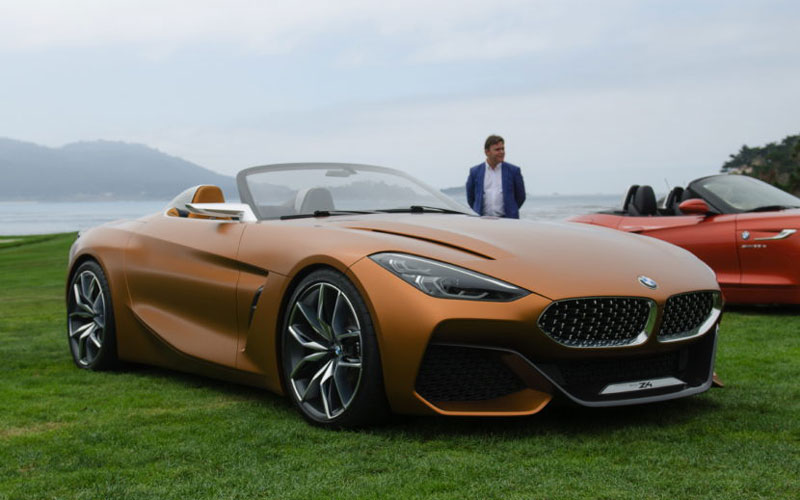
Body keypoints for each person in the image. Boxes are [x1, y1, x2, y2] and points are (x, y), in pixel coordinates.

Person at [466, 135, 526, 218]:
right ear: (487, 152)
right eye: (497, 149)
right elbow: (470, 198)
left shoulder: (514, 171)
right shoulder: (475, 172)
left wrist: (512, 210)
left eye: (503, 149)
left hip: (508, 221)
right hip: (482, 220)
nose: (502, 152)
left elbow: (521, 197)